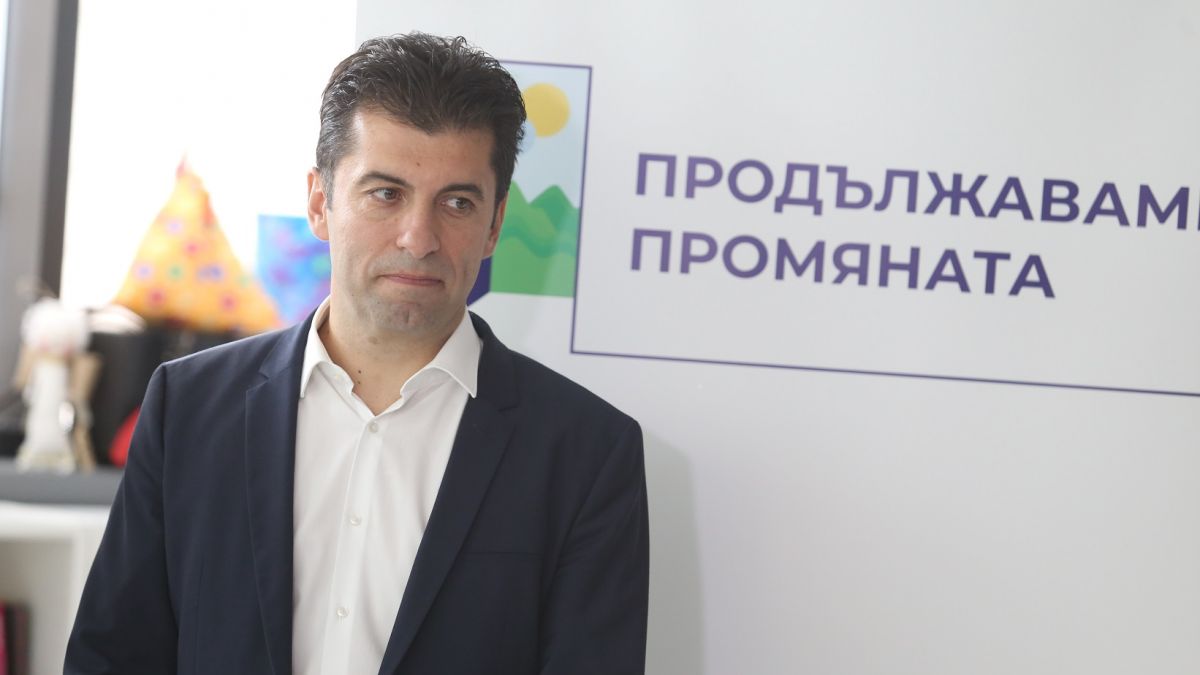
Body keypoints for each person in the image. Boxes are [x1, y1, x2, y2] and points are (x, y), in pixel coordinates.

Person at [65, 33, 648, 675]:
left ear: (494, 225)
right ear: (320, 203)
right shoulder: (188, 407)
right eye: (386, 193)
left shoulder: (588, 452)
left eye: (457, 202)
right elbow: (112, 657)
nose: (418, 238)